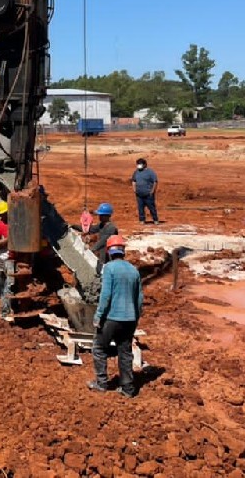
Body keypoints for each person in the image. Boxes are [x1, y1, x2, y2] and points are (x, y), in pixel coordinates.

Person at [87, 234, 143, 398]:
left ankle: (101, 383)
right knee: (124, 352)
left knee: (99, 348)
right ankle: (127, 389)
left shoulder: (109, 268)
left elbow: (105, 296)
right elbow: (139, 298)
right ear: (123, 251)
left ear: (109, 252)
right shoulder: (134, 270)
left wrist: (98, 315)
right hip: (130, 319)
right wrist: (136, 317)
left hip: (112, 318)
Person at [89, 202, 120, 270]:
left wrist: (93, 248)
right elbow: (91, 229)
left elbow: (104, 240)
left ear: (106, 216)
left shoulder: (111, 228)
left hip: (110, 255)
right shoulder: (102, 225)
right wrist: (74, 226)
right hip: (103, 253)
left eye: (101, 215)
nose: (99, 217)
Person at [130, 157, 159, 224]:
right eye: (137, 164)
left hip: (148, 194)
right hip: (139, 194)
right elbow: (134, 181)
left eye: (140, 164)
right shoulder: (136, 172)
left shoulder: (150, 172)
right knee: (140, 208)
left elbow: (155, 181)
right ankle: (142, 220)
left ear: (145, 164)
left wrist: (152, 191)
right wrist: (134, 189)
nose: (138, 165)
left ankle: (155, 219)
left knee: (151, 207)